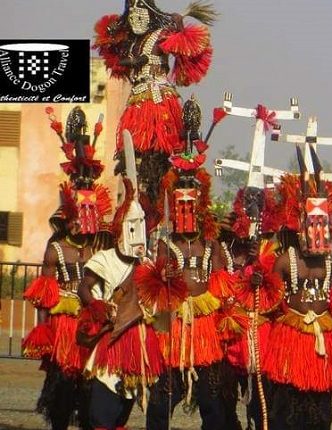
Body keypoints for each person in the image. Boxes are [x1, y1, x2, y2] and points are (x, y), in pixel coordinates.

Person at [23, 106, 113, 430]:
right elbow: (43, 299)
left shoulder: (100, 247)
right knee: (61, 389)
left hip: (91, 325)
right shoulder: (56, 249)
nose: (80, 222)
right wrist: (44, 333)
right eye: (76, 215)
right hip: (63, 327)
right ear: (68, 216)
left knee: (90, 390)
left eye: (87, 214)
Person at [263, 153, 332, 430]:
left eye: (322, 226)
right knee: (286, 405)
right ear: (300, 227)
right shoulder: (285, 261)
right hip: (290, 338)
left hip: (321, 339)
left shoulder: (331, 264)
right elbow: (270, 304)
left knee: (320, 407)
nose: (317, 233)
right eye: (312, 226)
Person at [142, 130, 232, 430]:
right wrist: (162, 276)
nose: (185, 213)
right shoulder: (166, 244)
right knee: (162, 398)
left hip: (205, 328)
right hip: (175, 324)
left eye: (190, 207)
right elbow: (153, 284)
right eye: (180, 207)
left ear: (199, 208)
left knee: (212, 400)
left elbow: (223, 284)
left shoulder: (211, 244)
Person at [93, 0, 216, 203]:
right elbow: (114, 62)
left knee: (157, 152)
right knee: (132, 155)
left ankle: (155, 191)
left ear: (150, 14)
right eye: (131, 15)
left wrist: (179, 28)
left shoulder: (160, 36)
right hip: (136, 102)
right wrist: (111, 35)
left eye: (140, 14)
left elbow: (188, 50)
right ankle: (138, 193)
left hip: (158, 101)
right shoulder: (132, 43)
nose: (135, 19)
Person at [75, 176, 164, 430]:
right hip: (111, 337)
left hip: (138, 342)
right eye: (132, 227)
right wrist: (97, 305)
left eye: (140, 227)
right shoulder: (104, 259)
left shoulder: (146, 264)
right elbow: (84, 288)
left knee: (122, 409)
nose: (137, 234)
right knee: (103, 406)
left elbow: (156, 305)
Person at [217, 184, 284, 430]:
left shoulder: (271, 255)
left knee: (260, 401)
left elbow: (275, 296)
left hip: (259, 338)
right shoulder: (222, 251)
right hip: (227, 335)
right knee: (222, 399)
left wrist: (259, 264)